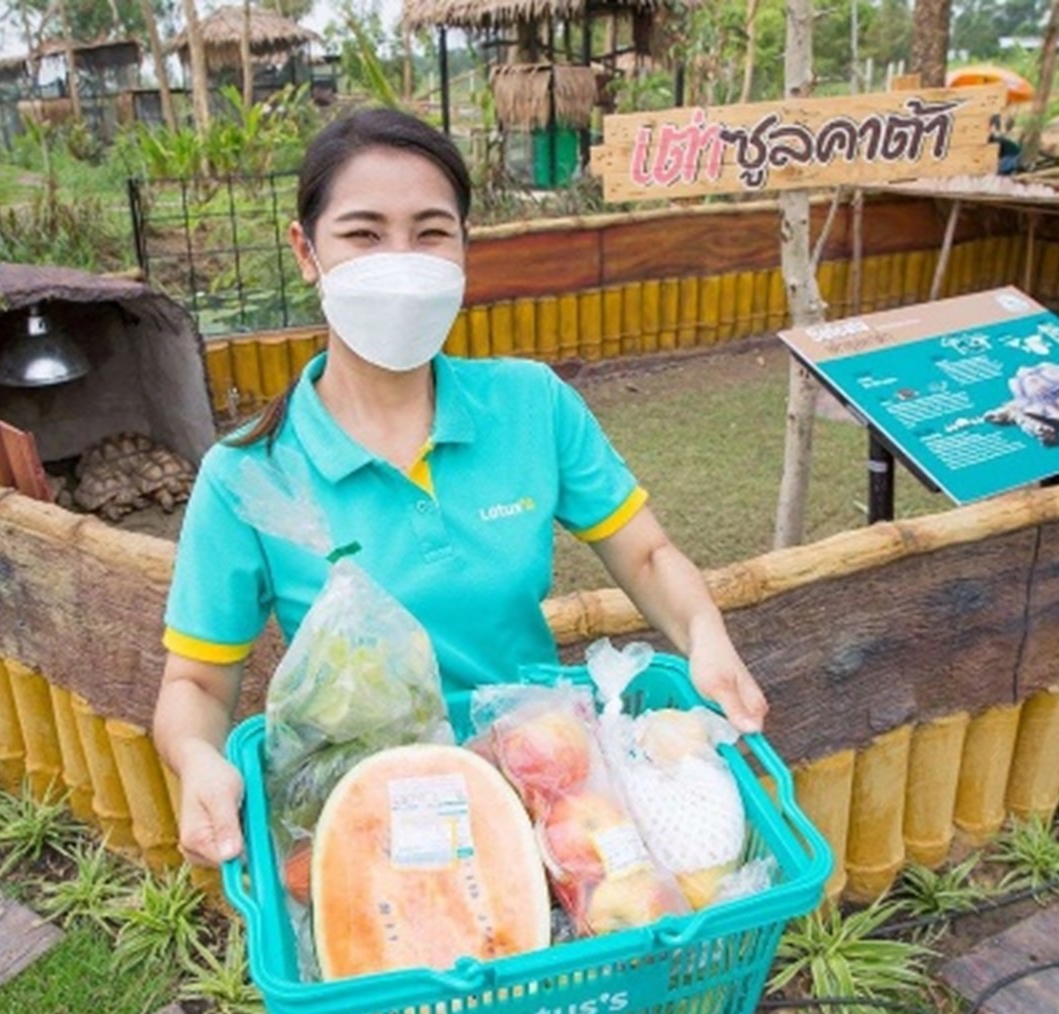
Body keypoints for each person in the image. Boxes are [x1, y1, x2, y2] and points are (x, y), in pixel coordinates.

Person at [153, 108, 769, 870]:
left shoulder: (529, 405)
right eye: (364, 233)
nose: (401, 261)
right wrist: (198, 759)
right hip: (373, 821)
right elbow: (196, 684)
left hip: (550, 785)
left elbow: (645, 556)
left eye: (431, 231)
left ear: (464, 248)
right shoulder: (247, 474)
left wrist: (705, 636)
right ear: (305, 250)